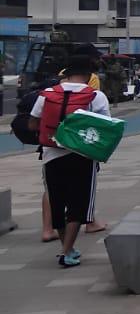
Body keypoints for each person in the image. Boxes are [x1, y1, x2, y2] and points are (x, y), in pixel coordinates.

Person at [30, 56, 111, 268]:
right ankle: (67, 251)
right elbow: (105, 127)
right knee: (79, 203)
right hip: (82, 156)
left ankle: (66, 248)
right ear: (89, 75)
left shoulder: (46, 94)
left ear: (67, 73)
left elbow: (32, 124)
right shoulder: (96, 96)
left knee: (57, 202)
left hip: (51, 154)